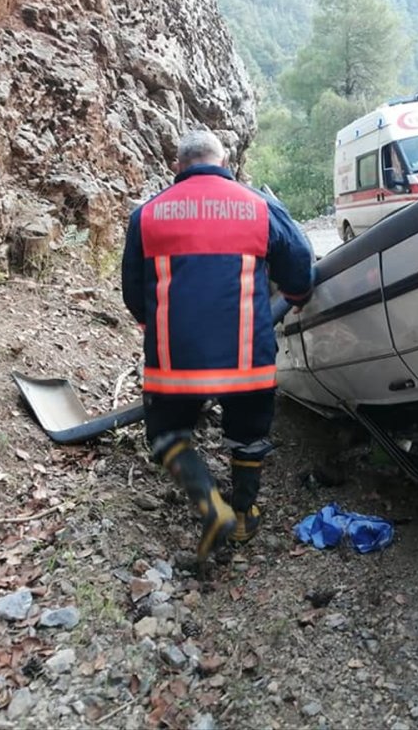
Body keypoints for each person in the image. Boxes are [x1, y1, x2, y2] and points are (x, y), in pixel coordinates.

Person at [121, 130, 314, 560]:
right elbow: (300, 262)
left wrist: (151, 324)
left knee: (166, 434)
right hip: (247, 359)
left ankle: (211, 506)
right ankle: (243, 514)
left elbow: (133, 292)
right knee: (248, 433)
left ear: (177, 166)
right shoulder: (259, 206)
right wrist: (297, 296)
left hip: (175, 361)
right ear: (224, 162)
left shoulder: (146, 215)